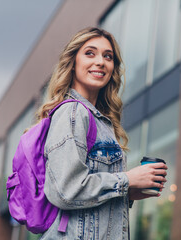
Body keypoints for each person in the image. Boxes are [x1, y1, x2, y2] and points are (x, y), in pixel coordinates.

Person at [36, 27, 167, 239]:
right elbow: (66, 191)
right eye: (90, 53)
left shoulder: (101, 121)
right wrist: (126, 180)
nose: (100, 62)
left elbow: (88, 204)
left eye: (108, 56)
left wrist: (128, 192)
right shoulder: (73, 112)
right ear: (73, 62)